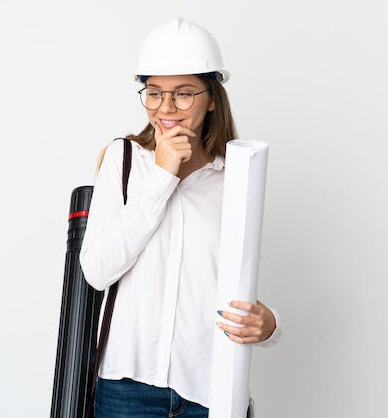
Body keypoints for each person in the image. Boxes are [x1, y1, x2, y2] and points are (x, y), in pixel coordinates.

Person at [79, 18, 282, 418]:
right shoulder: (124, 160)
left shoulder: (235, 177)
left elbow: (228, 283)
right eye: (154, 93)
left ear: (212, 97)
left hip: (209, 392)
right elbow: (96, 271)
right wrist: (162, 175)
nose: (166, 108)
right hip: (125, 392)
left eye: (184, 93)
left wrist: (272, 325)